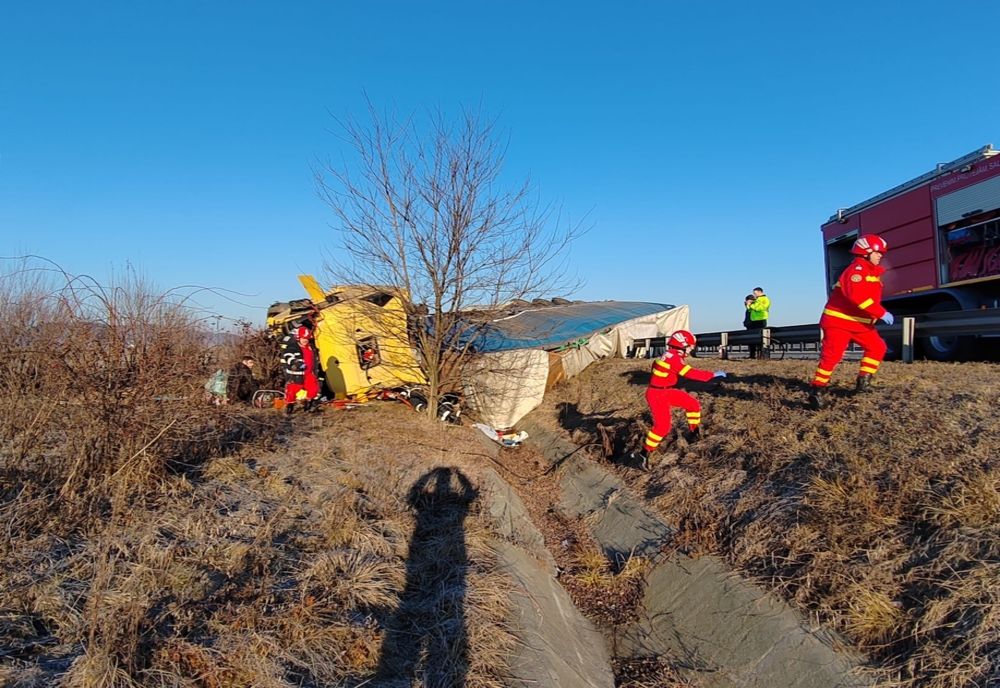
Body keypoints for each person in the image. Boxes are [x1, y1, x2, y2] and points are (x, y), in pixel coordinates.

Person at [808, 234, 893, 410]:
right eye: (877, 253)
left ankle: (863, 383)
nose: (880, 256)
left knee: (878, 347)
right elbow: (858, 297)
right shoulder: (856, 271)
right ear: (865, 253)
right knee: (832, 356)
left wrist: (874, 316)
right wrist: (880, 312)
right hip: (839, 321)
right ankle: (817, 390)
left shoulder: (871, 272)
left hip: (860, 323)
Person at [630, 330, 727, 470]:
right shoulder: (673, 358)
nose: (690, 350)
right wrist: (712, 375)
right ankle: (644, 454)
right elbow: (690, 373)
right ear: (682, 345)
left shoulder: (670, 354)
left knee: (692, 404)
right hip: (657, 394)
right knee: (662, 427)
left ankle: (694, 433)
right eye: (689, 347)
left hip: (665, 390)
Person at [280, 325, 322, 413]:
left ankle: (308, 405)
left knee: (313, 390)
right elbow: (288, 356)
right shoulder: (292, 347)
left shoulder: (311, 348)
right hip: (297, 374)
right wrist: (296, 363)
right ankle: (289, 407)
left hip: (309, 373)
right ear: (298, 338)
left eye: (307, 339)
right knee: (292, 391)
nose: (305, 340)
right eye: (303, 338)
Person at [746, 287, 770, 359]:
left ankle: (762, 355)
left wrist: (751, 305)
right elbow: (750, 310)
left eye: (755, 293)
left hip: (761, 320)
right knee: (752, 338)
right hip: (754, 321)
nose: (754, 295)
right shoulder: (757, 300)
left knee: (761, 339)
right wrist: (747, 305)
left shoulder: (765, 299)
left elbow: (759, 308)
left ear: (760, 292)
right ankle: (752, 355)